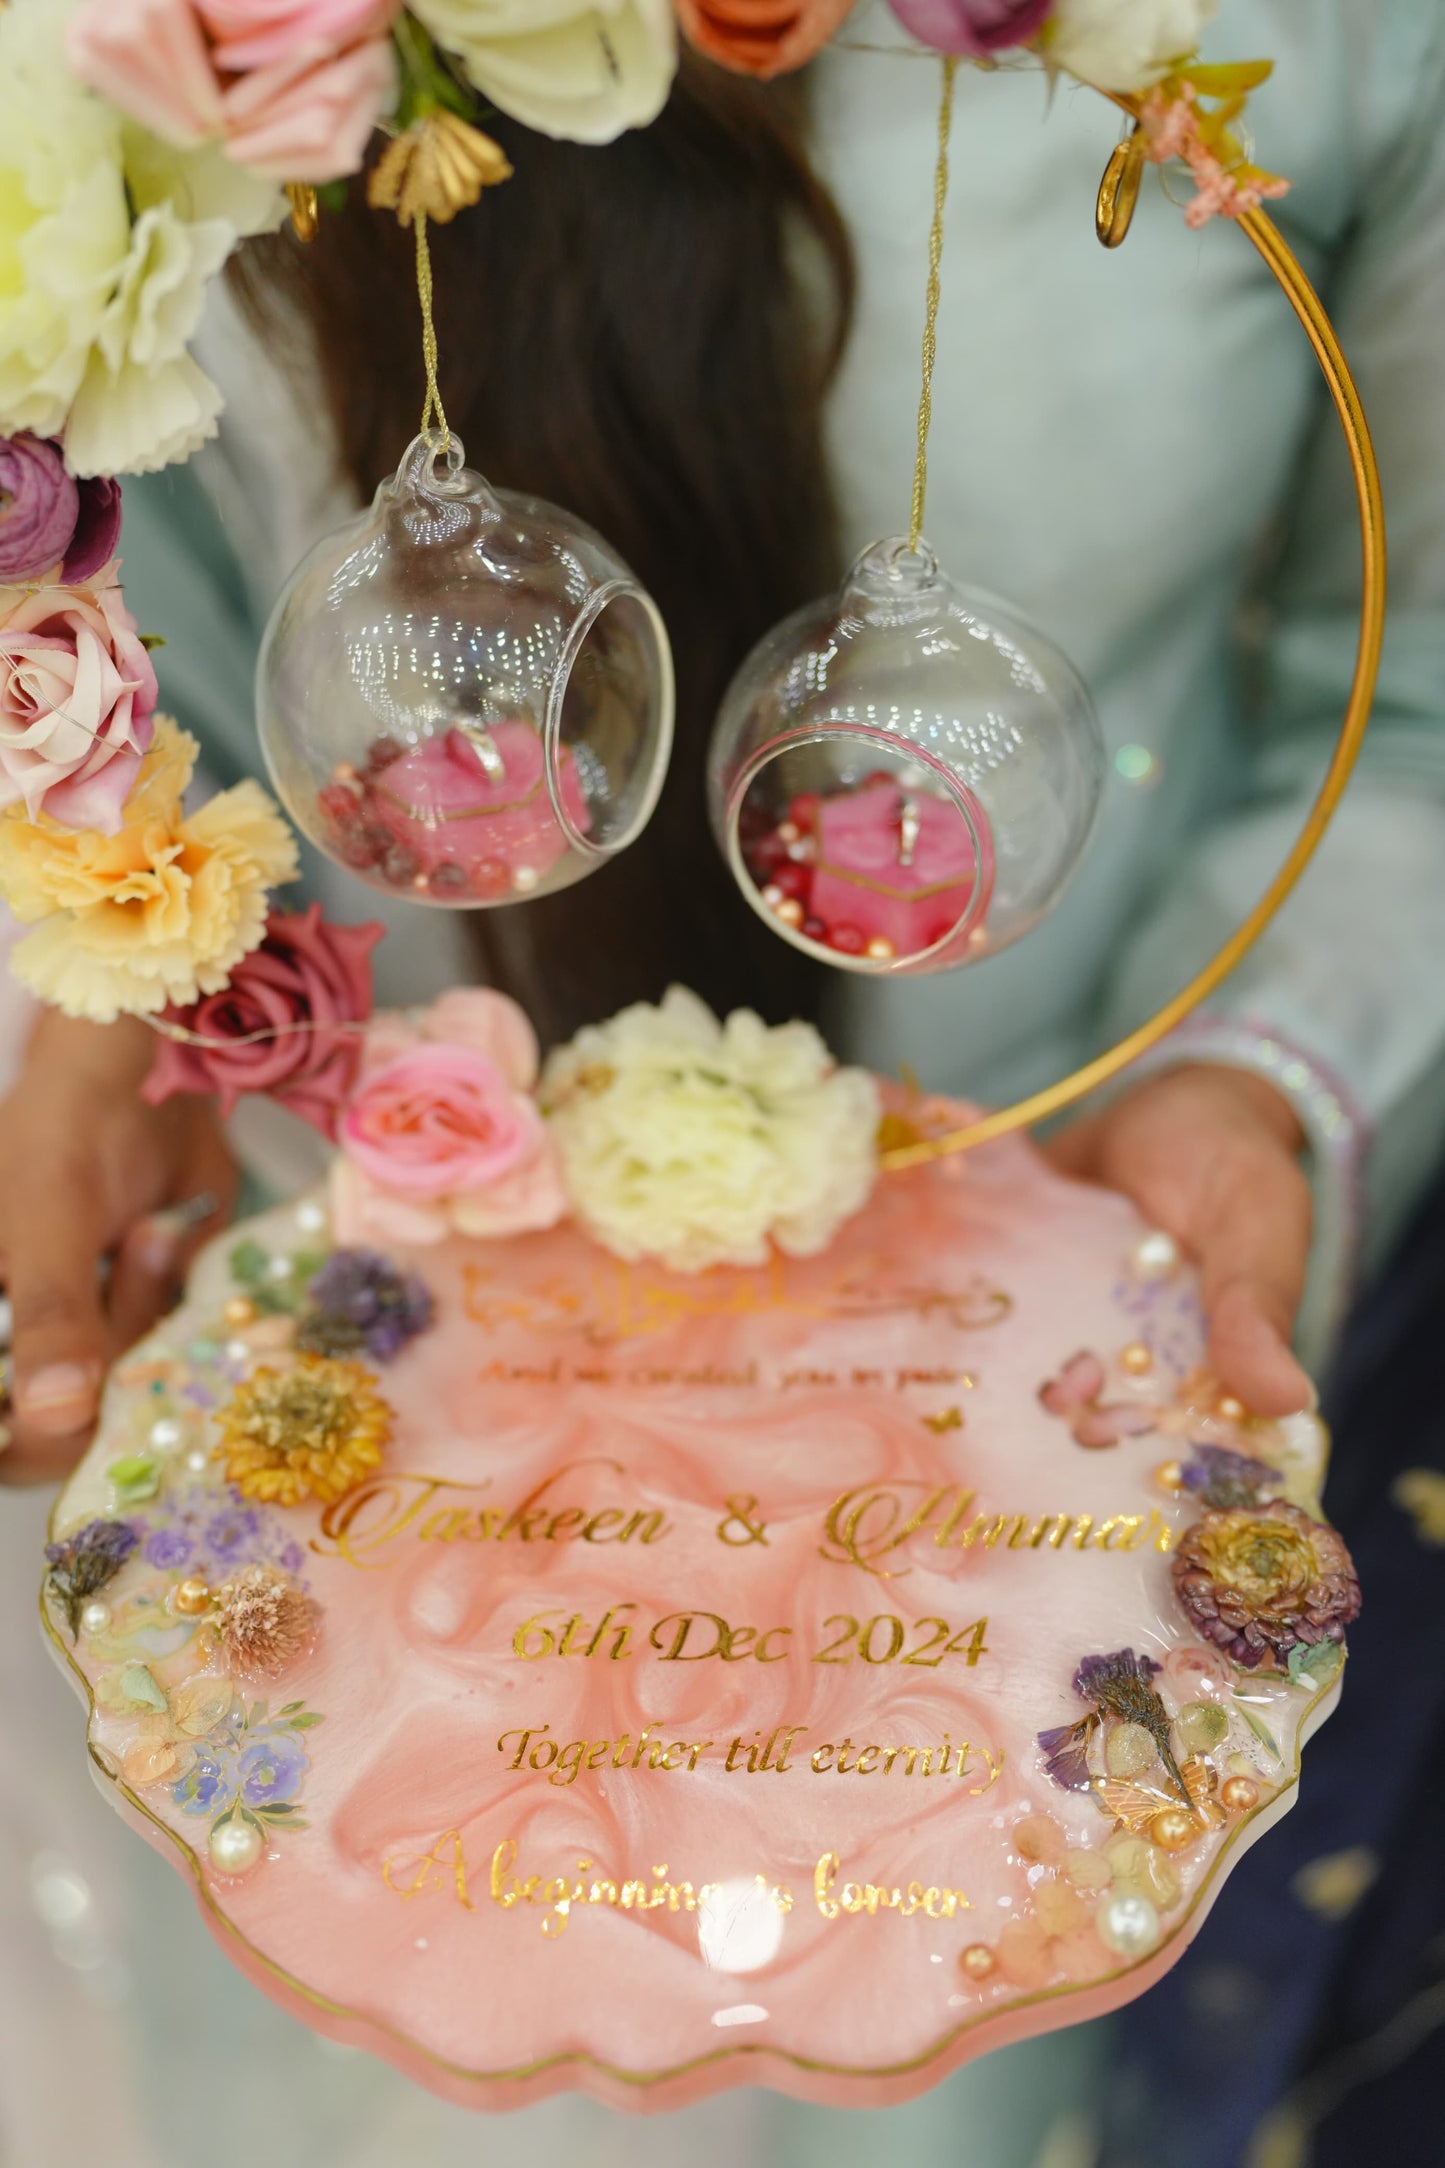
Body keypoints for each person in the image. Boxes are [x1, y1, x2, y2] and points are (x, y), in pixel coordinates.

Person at [1, 1, 1442, 2157]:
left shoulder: (1320, 44)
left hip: (1048, 1317)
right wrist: (124, 1010)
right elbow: (141, 619)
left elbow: (1409, 691)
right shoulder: (183, 62)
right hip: (389, 1339)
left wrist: (1249, 1081)